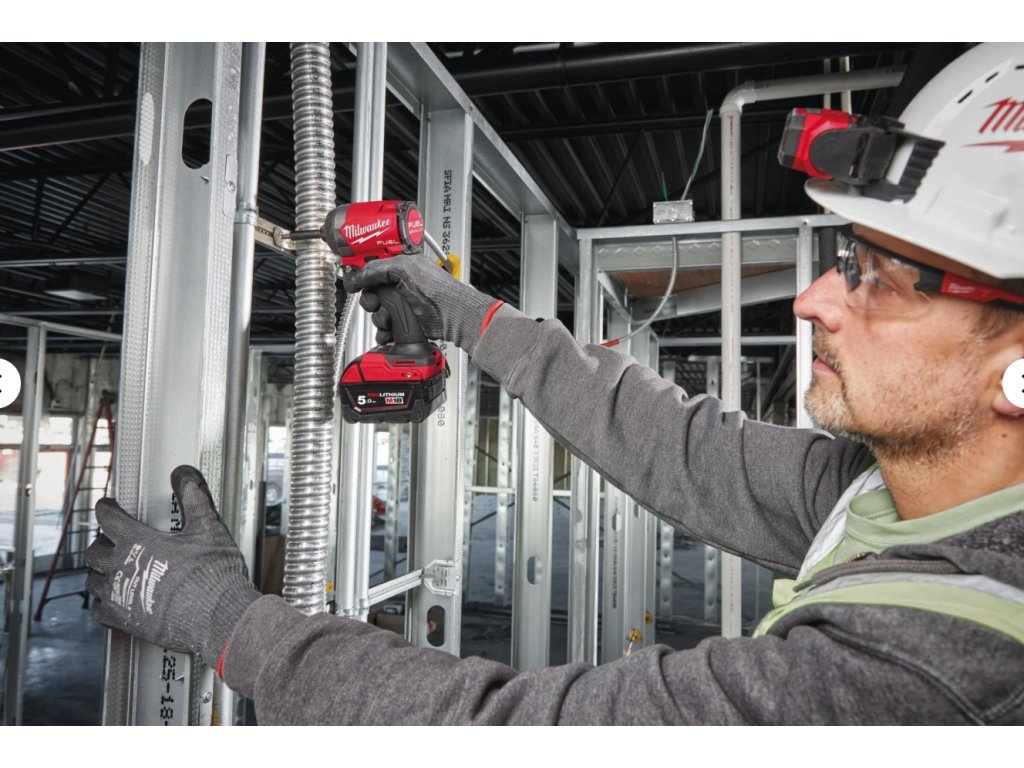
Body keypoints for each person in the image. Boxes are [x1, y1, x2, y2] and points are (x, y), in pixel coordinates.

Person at [86, 43, 1024, 725]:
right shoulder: (888, 492)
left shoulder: (942, 667)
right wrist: (467, 314)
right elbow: (675, 444)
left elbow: (510, 732)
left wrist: (227, 620)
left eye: (882, 280)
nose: (816, 298)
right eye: (848, 257)